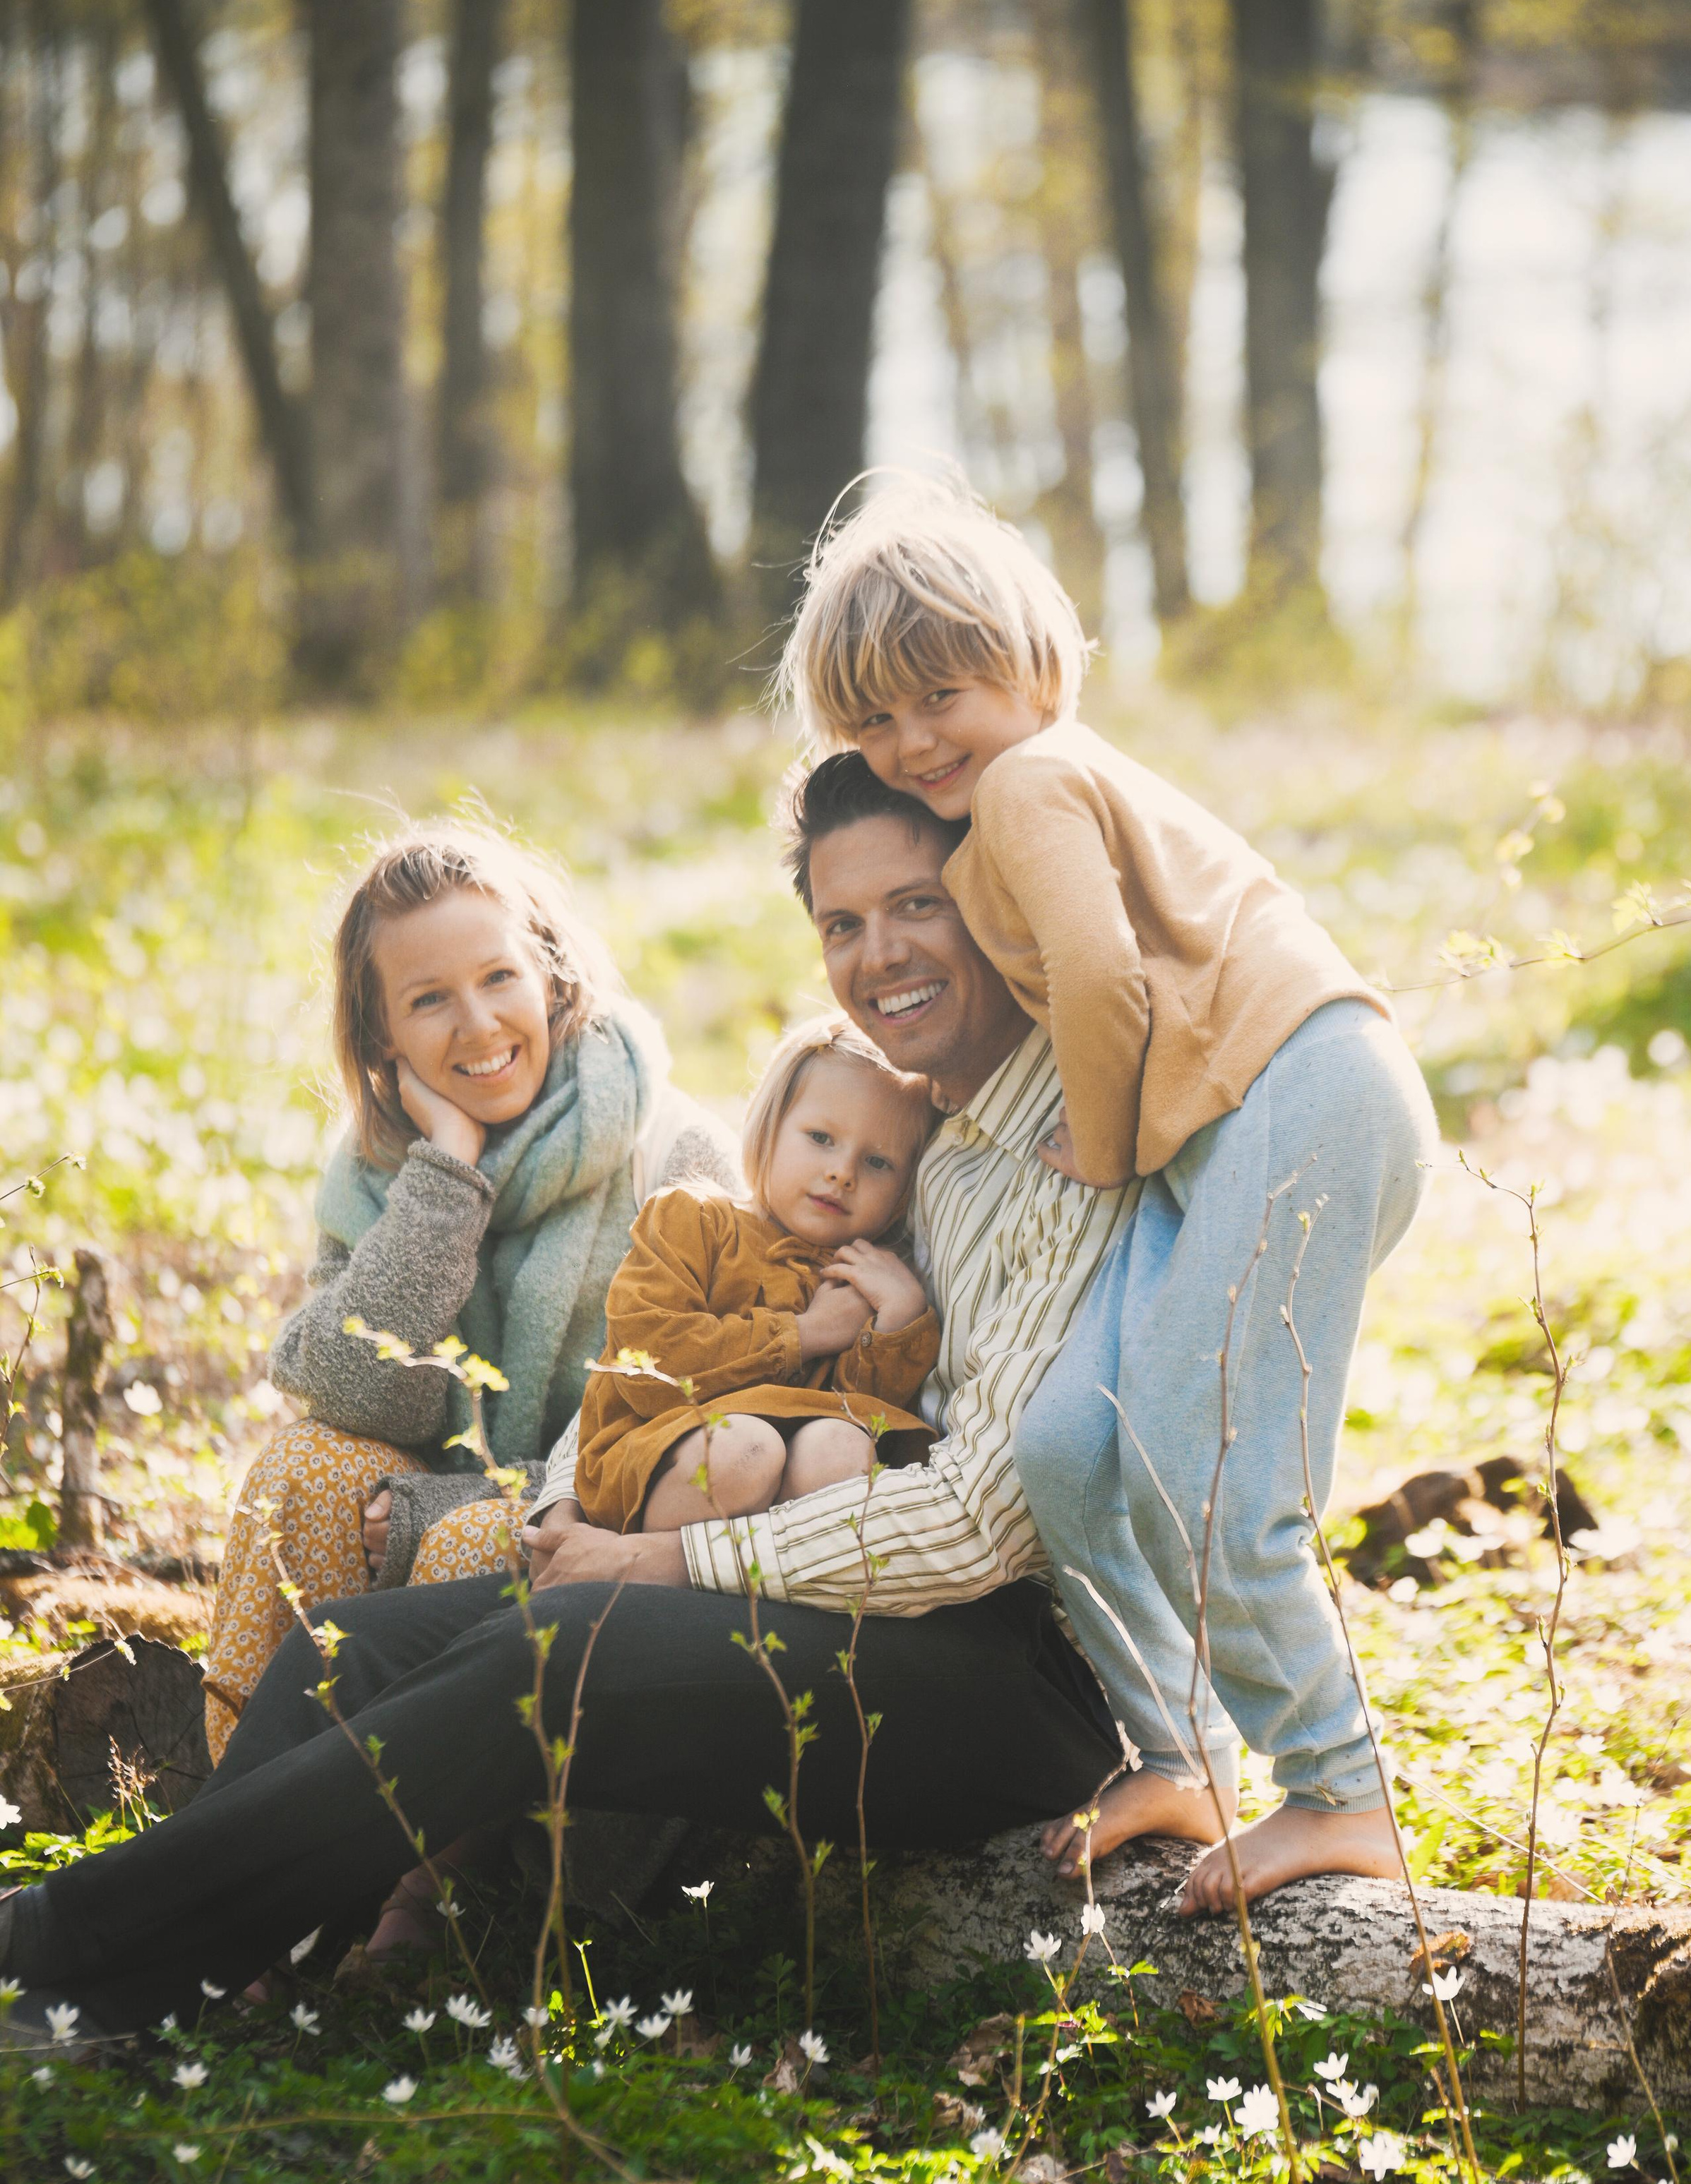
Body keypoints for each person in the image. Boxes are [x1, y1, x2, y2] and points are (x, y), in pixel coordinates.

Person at [0, 757, 1231, 2053]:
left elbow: (980, 1529)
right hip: (842, 1603)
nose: (879, 955)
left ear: (990, 895)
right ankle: (236, 1966)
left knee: (552, 1657)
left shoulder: (1072, 1125)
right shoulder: (909, 1122)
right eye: (841, 924)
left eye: (916, 906)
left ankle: (68, 1959)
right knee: (350, 1646)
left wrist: (662, 1558)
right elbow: (702, 1342)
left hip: (1015, 1683)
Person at [777, 472, 1438, 1913]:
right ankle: (1178, 1748)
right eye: (874, 720)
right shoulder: (1008, 794)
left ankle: (1339, 1792)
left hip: (1302, 1090)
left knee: (1213, 1467)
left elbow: (1096, 975)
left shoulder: (1028, 783)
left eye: (939, 692)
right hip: (1221, 1132)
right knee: (1073, 1443)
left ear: (1032, 662)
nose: (911, 742)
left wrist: (1092, 1135)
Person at [205, 819, 735, 1763]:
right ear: (383, 1037)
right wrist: (448, 1176)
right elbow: (364, 1395)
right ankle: (254, 1835)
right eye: (430, 1000)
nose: (481, 1025)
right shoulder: (381, 1175)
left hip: (608, 1530)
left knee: (472, 1544)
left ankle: (442, 1876)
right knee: (305, 1470)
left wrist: (445, 1509)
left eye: (499, 978)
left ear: (552, 974)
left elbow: (686, 1438)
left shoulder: (672, 1153)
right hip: (437, 1496)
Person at [575, 1014, 939, 1538]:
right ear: (769, 1126)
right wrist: (806, 1334)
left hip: (794, 1462)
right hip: (661, 1447)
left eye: (878, 1163)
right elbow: (650, 1363)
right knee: (746, 1449)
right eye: (820, 1137)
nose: (843, 1173)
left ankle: (764, 1600)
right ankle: (647, 1578)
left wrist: (898, 1320)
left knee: (844, 1448)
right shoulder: (692, 1218)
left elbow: (862, 1411)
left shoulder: (863, 1276)